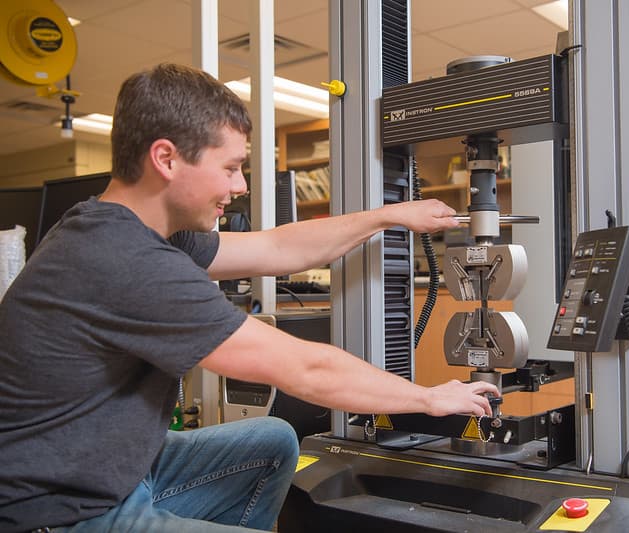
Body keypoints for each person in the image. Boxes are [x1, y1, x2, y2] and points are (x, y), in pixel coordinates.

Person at [0, 63, 499, 532]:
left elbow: (275, 247)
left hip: (113, 468)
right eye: (231, 167)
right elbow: (305, 369)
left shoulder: (134, 229)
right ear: (166, 158)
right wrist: (428, 397)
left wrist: (390, 216)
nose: (239, 185)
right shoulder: (123, 259)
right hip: (63, 511)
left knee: (272, 441)